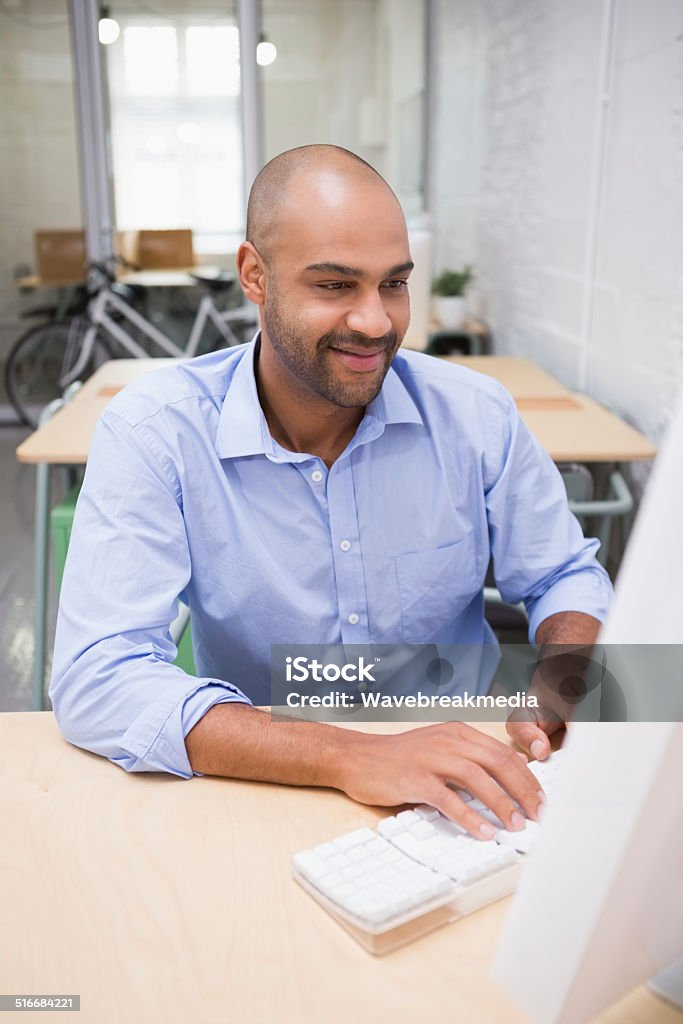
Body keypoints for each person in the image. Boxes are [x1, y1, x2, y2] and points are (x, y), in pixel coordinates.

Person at [50, 145, 612, 841]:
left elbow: (563, 575)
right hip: (260, 777)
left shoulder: (475, 415)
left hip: (461, 783)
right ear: (254, 276)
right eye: (335, 286)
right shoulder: (157, 431)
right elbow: (99, 676)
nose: (375, 322)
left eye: (394, 284)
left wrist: (560, 679)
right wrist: (356, 755)